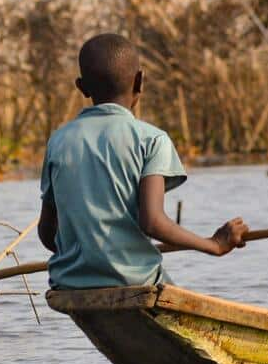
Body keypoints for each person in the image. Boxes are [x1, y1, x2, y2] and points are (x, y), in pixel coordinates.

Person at [38, 33, 248, 289]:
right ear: (140, 80)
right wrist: (214, 244)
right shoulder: (151, 140)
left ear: (81, 87)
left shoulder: (58, 142)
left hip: (68, 282)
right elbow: (153, 222)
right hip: (134, 281)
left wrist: (83, 253)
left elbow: (47, 233)